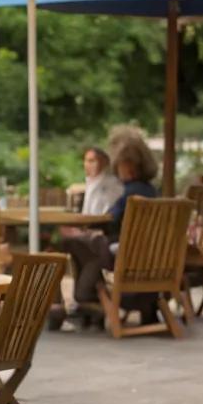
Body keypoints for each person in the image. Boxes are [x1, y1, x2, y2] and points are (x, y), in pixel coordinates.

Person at [60, 130, 159, 326]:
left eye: (119, 165)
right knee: (87, 243)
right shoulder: (152, 191)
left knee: (78, 244)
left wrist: (84, 226)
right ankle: (87, 300)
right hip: (152, 255)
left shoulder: (129, 193)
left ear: (128, 166)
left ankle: (87, 299)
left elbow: (109, 219)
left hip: (127, 254)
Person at [80, 145, 123, 216]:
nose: (87, 164)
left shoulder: (112, 184)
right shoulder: (91, 182)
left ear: (104, 163)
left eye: (92, 161)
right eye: (86, 161)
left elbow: (104, 213)